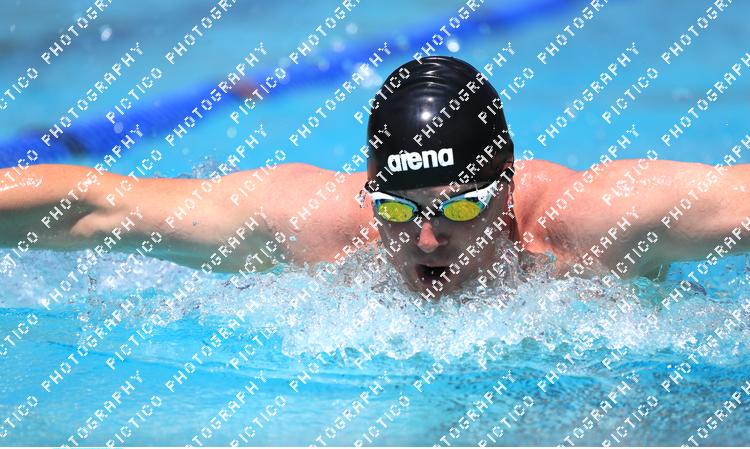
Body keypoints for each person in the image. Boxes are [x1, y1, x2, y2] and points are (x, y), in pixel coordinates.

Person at [1, 56, 748, 299]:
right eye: (395, 208)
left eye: (459, 210)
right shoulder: (316, 224)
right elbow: (92, 207)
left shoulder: (599, 221)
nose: (425, 240)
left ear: (507, 185)